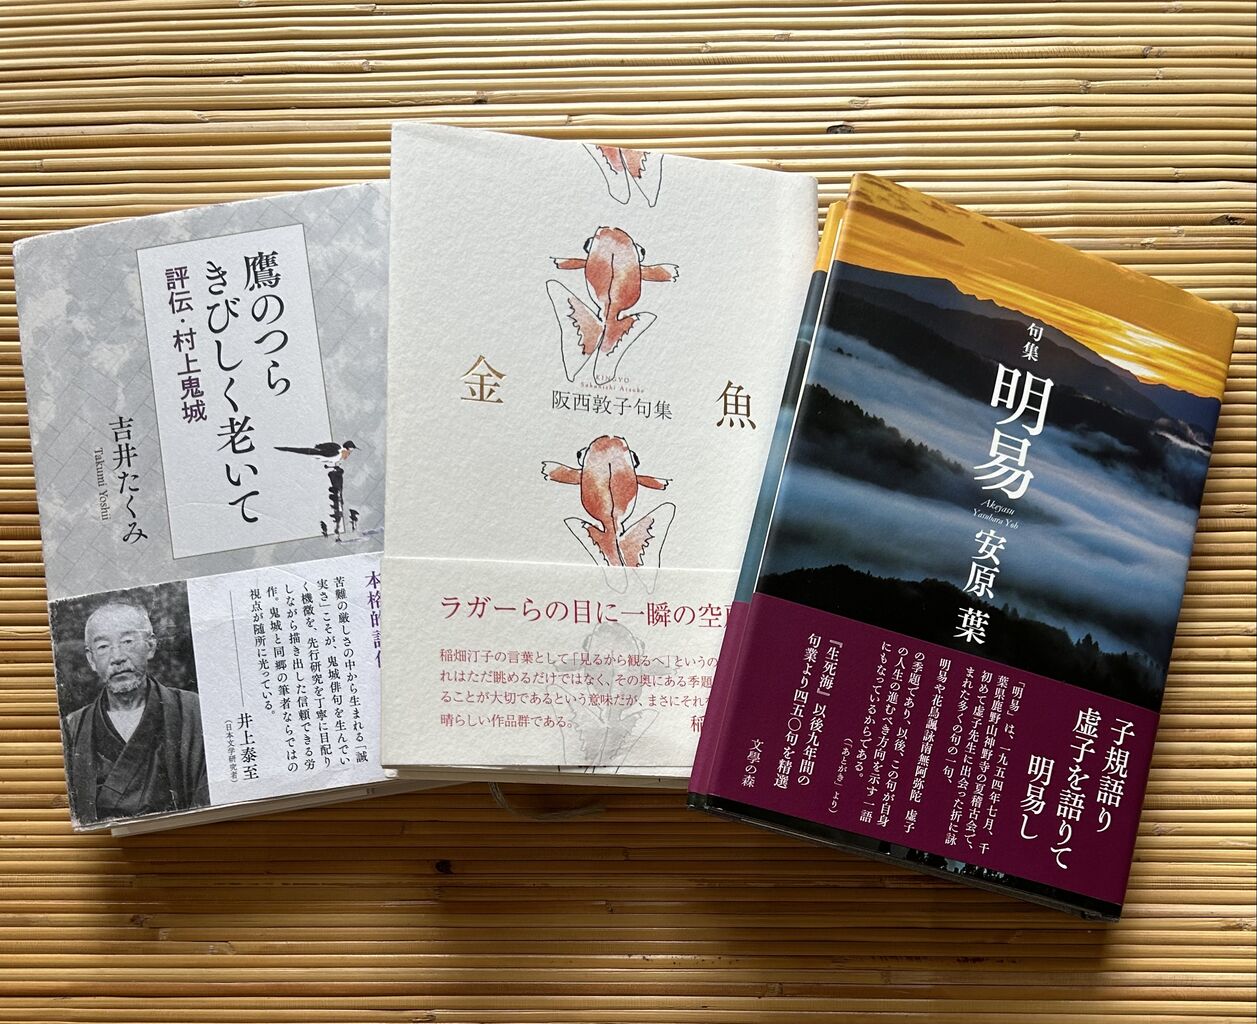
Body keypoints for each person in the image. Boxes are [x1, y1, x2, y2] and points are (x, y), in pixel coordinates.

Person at [61, 600, 209, 825]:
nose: (117, 657)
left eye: (127, 641)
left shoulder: (193, 710)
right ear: (91, 660)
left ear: (150, 646)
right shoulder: (72, 728)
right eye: (103, 646)